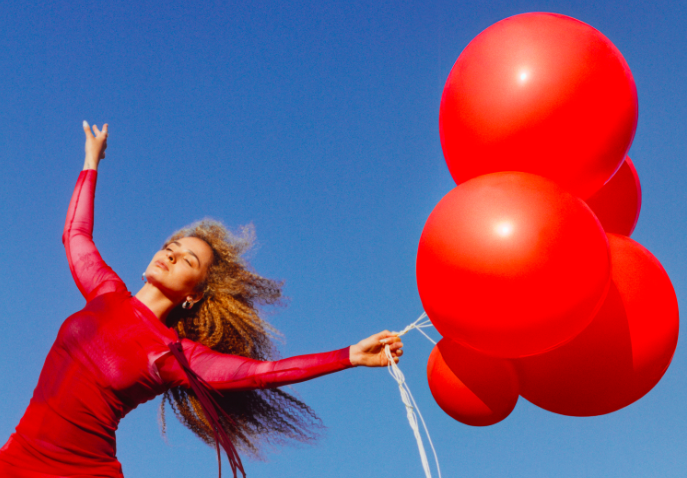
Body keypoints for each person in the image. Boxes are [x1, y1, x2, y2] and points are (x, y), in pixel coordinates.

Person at [0, 122, 404, 478]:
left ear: (194, 294)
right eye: (170, 247)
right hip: (14, 460)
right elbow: (75, 235)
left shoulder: (174, 356)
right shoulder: (105, 291)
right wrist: (91, 160)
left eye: (188, 260)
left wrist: (349, 355)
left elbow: (264, 372)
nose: (172, 255)